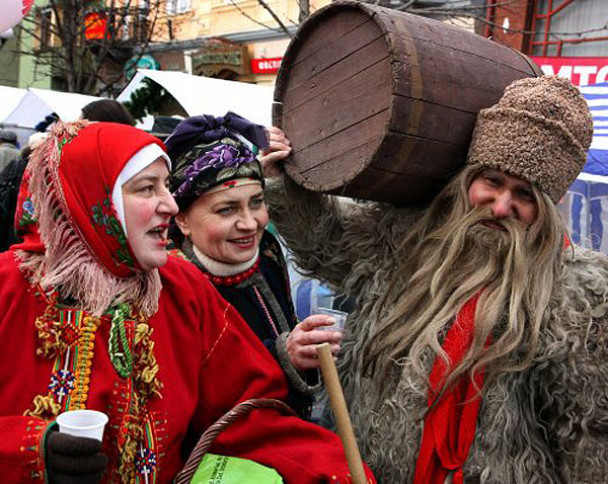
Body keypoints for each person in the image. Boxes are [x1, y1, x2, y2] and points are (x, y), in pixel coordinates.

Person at [264, 75, 608, 482]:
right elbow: (324, 241)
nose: (500, 207)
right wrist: (285, 179)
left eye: (524, 195)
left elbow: (590, 439)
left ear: (548, 207)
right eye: (492, 182)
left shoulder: (576, 297)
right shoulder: (406, 240)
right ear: (469, 181)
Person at [0, 120, 376, 483]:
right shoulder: (9, 287)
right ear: (92, 198)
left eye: (166, 186)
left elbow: (246, 417)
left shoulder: (179, 287)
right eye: (147, 189)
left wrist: (333, 469)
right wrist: (29, 450)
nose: (169, 204)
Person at [165, 113, 343, 419]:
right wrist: (281, 354)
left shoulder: (267, 254)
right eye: (226, 209)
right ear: (181, 219)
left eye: (257, 202)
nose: (250, 224)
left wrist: (303, 346)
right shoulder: (171, 285)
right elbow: (188, 389)